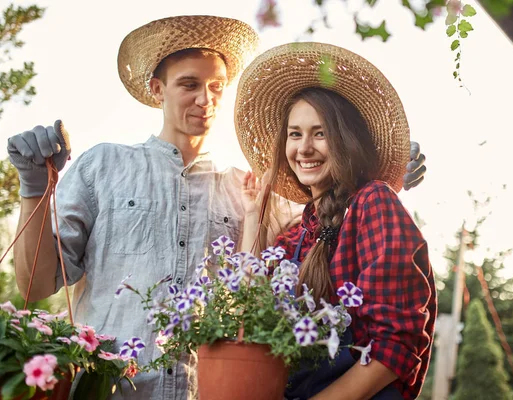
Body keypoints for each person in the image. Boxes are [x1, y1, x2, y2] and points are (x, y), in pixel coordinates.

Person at [6, 16, 426, 399]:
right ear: (157, 89)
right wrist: (33, 188)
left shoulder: (251, 192)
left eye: (217, 86)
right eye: (189, 84)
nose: (205, 99)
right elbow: (35, 285)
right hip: (108, 392)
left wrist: (378, 172)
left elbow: (333, 242)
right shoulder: (104, 166)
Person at [236, 42, 436, 400]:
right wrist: (253, 219)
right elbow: (247, 320)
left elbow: (395, 347)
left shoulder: (372, 203)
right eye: (295, 134)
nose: (304, 148)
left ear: (344, 140)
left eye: (320, 132)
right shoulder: (296, 235)